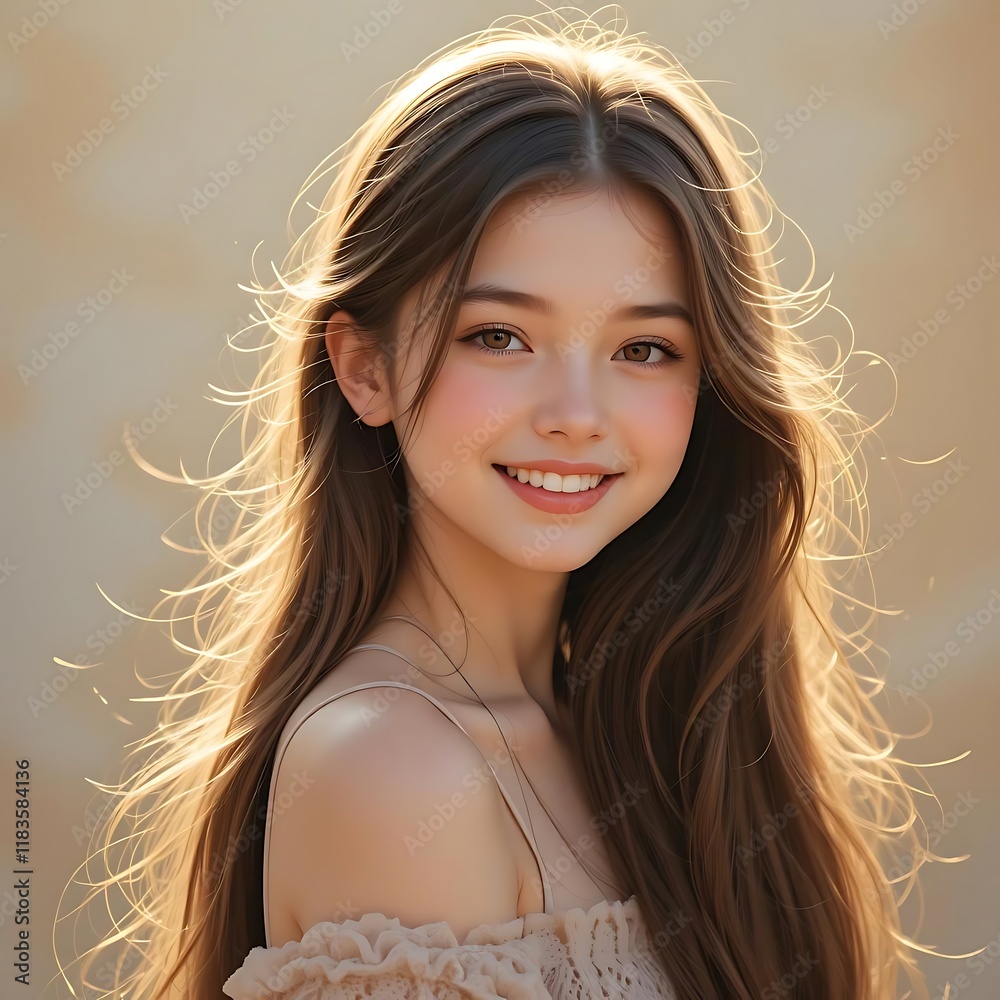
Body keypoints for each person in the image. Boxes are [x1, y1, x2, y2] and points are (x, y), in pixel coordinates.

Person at [58, 10, 955, 1000]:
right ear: (365, 369)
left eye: (644, 348)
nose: (575, 415)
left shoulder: (654, 728)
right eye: (499, 336)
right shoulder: (390, 766)